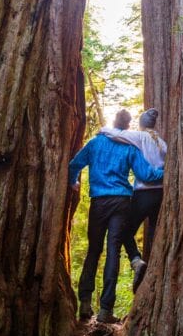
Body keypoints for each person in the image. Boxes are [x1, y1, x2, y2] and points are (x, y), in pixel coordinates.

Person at [68, 109, 164, 324]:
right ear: (128, 126)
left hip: (98, 202)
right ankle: (105, 310)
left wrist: (73, 181)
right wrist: (168, 170)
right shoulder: (129, 147)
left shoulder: (95, 143)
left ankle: (84, 303)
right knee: (114, 251)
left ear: (113, 122)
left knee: (93, 250)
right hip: (121, 203)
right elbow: (147, 174)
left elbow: (74, 164)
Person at [100, 108, 167, 292]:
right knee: (154, 234)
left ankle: (136, 259)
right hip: (160, 194)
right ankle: (155, 269)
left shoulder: (140, 137)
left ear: (142, 124)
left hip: (143, 193)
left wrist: (103, 130)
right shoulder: (162, 143)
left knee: (124, 231)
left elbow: (117, 134)